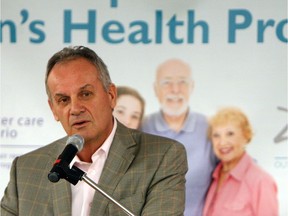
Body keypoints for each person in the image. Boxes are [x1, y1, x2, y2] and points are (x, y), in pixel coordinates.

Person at [1, 46, 188, 216]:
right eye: (63, 100)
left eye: (85, 94)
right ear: (53, 110)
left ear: (111, 96)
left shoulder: (163, 157)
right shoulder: (25, 170)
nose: (75, 108)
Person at [141, 58, 218, 216]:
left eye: (182, 82)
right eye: (166, 82)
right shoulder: (141, 127)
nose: (175, 89)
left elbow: (236, 168)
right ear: (156, 89)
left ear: (192, 87)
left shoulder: (210, 127)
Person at [203, 107, 278, 216]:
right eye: (216, 135)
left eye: (230, 134)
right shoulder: (214, 176)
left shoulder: (261, 181)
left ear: (245, 136)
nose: (222, 142)